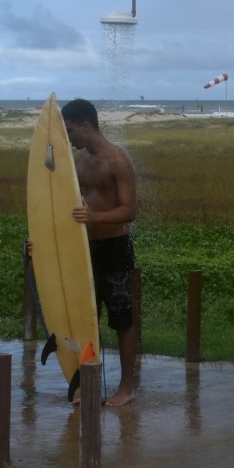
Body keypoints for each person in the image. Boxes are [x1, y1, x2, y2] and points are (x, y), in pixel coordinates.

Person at [62, 98, 139, 407]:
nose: (68, 138)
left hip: (115, 247)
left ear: (86, 125)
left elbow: (130, 210)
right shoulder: (78, 160)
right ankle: (87, 383)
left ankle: (127, 387)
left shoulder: (118, 160)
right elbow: (66, 205)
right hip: (85, 249)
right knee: (84, 317)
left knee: (122, 319)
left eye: (70, 131)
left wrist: (94, 217)